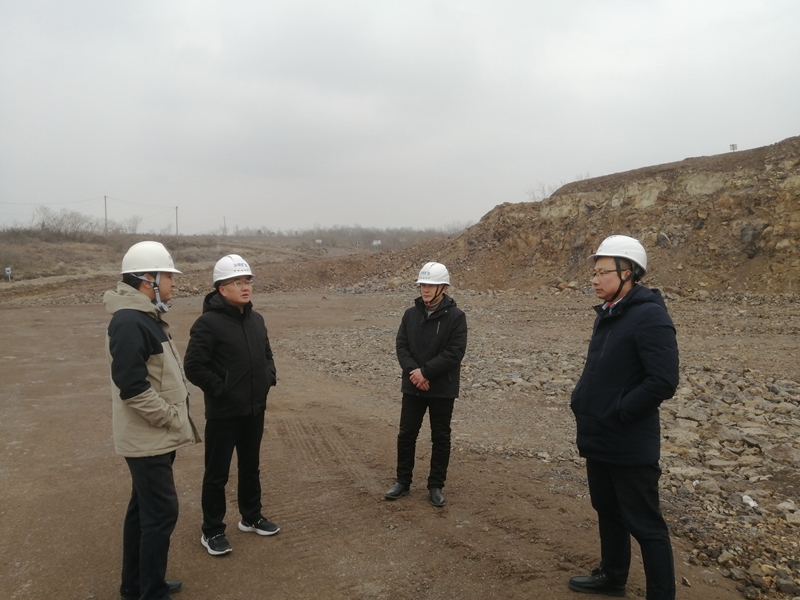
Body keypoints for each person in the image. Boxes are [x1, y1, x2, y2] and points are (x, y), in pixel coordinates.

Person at [568, 235, 679, 600]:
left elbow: (663, 380)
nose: (594, 279)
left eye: (603, 272)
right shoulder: (609, 313)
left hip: (629, 440)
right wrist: (582, 400)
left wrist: (621, 410)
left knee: (645, 524)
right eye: (594, 273)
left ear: (628, 272)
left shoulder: (650, 315)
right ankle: (613, 576)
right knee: (607, 510)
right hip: (599, 434)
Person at [104, 241, 200, 600]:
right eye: (168, 277)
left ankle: (136, 586)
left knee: (143, 511)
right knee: (160, 512)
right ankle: (151, 592)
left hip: (153, 436)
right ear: (148, 280)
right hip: (148, 437)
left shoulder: (144, 317)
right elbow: (131, 387)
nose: (174, 283)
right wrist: (170, 417)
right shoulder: (130, 322)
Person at [184, 254, 279, 556]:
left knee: (250, 467)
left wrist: (269, 376)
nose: (245, 286)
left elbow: (267, 354)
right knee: (217, 473)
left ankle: (251, 516)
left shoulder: (256, 320)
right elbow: (194, 366)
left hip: (254, 408)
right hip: (224, 413)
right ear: (221, 288)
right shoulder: (207, 324)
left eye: (247, 281)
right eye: (237, 282)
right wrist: (221, 390)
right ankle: (212, 530)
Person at [385, 261, 467, 507]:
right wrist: (414, 373)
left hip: (442, 388)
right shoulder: (410, 315)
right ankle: (403, 482)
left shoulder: (456, 317)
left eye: (431, 285)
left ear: (444, 287)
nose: (425, 289)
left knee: (440, 436)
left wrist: (425, 372)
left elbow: (454, 352)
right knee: (406, 434)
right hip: (413, 385)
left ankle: (436, 485)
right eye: (423, 285)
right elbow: (402, 345)